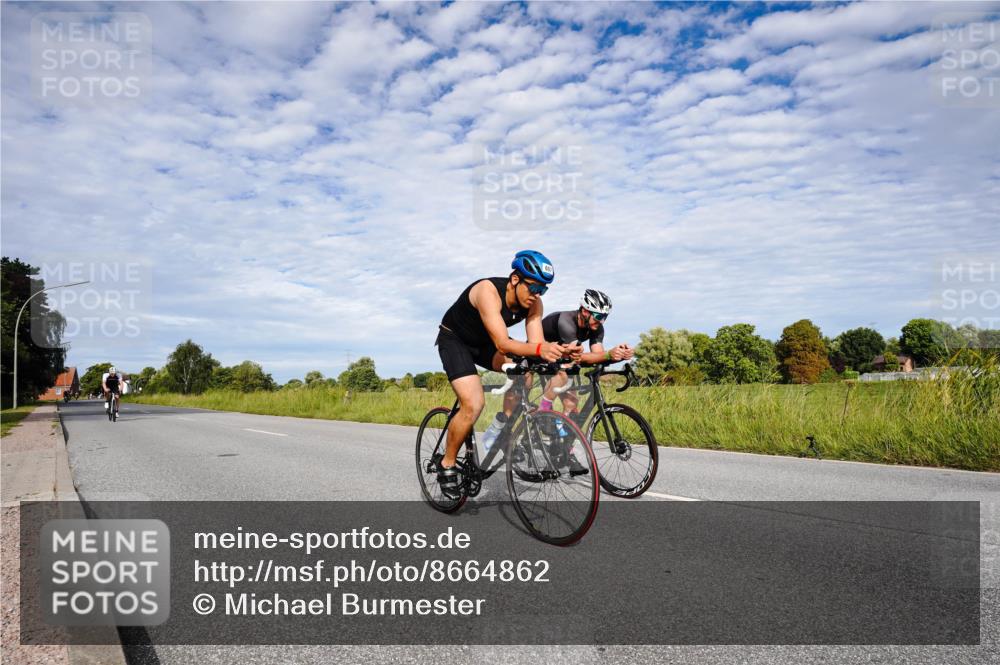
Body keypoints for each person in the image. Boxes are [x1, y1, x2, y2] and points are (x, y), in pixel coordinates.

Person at [435, 250, 574, 498]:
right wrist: (540, 350)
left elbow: (536, 345)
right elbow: (503, 343)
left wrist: (560, 353)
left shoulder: (534, 303)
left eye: (543, 290)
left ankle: (501, 429)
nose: (537, 294)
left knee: (526, 371)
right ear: (515, 279)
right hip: (456, 340)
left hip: (485, 343)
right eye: (533, 287)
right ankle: (447, 464)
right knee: (473, 404)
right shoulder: (487, 291)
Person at [539, 289, 635, 475]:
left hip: (564, 357)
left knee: (572, 406)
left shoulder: (597, 327)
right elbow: (579, 357)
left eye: (605, 317)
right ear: (584, 311)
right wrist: (608, 355)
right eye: (598, 316)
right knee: (563, 377)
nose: (602, 321)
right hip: (542, 353)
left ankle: (565, 452)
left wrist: (619, 356)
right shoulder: (566, 322)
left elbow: (598, 356)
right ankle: (543, 413)